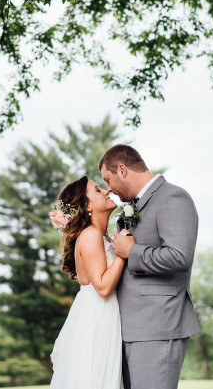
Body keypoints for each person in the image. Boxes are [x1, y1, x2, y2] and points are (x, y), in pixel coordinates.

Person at [100, 144, 200, 389]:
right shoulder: (130, 208)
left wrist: (132, 251)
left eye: (108, 179)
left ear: (122, 170)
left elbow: (179, 256)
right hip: (127, 327)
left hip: (157, 325)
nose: (109, 189)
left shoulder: (173, 197)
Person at [48, 175, 126, 389]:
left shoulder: (103, 235)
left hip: (105, 312)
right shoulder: (90, 235)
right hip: (97, 315)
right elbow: (102, 287)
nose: (106, 191)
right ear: (87, 205)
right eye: (98, 190)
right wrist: (122, 253)